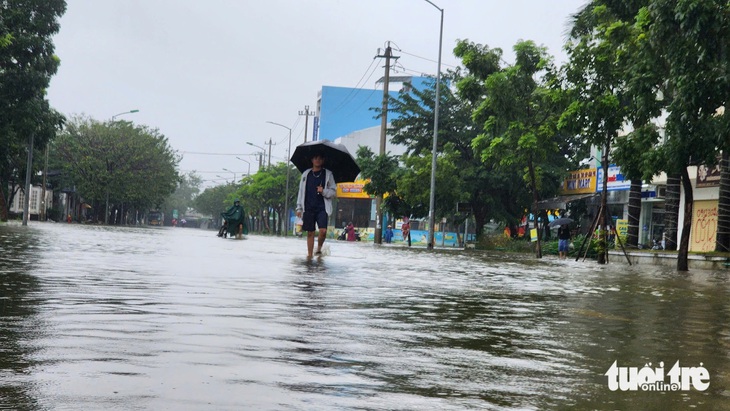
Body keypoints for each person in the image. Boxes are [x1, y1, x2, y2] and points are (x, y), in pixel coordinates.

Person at [296, 153, 337, 258]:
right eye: (315, 158)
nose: (317, 160)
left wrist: (323, 191)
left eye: (320, 158)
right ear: (312, 160)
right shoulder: (306, 174)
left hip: (322, 208)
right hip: (308, 207)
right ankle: (309, 256)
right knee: (310, 232)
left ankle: (318, 249)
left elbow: (333, 192)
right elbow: (301, 192)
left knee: (323, 231)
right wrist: (299, 208)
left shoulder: (328, 174)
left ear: (323, 160)